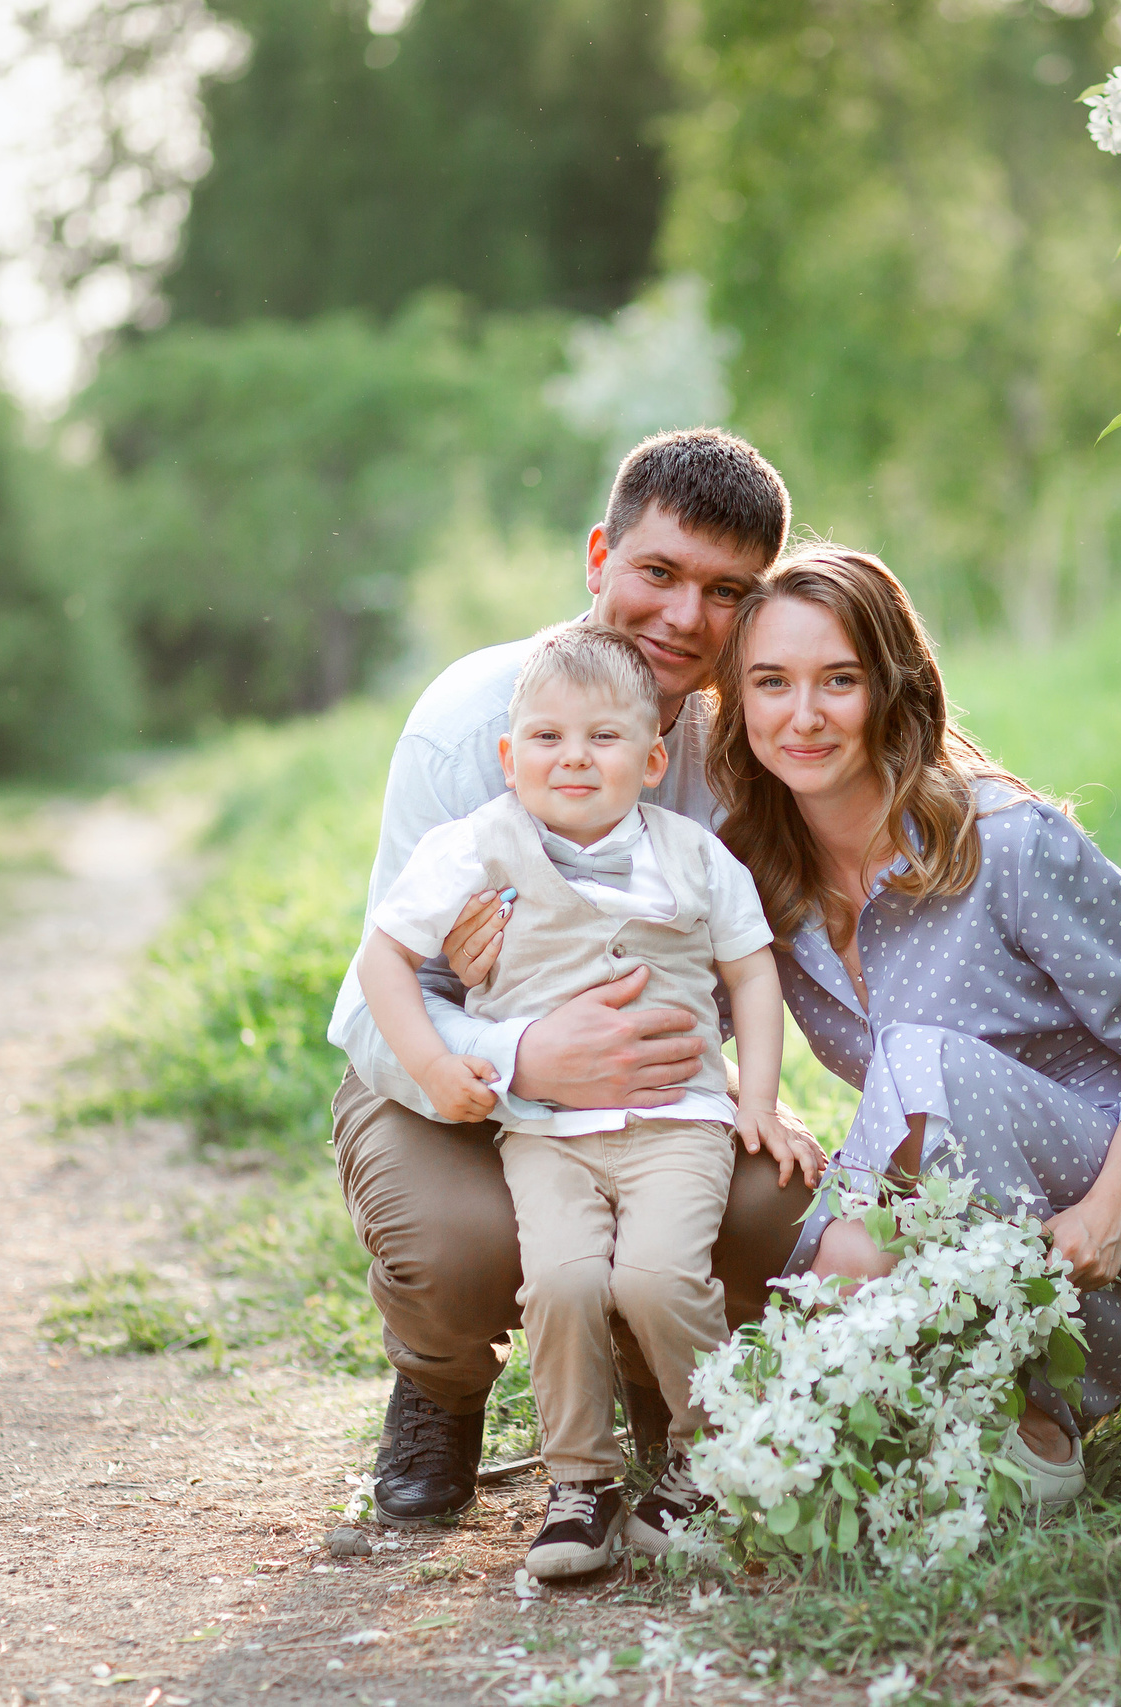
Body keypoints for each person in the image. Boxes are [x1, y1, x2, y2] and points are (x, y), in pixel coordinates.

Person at [328, 426, 1121, 1529]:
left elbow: (1009, 900)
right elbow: (372, 1001)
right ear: (599, 558)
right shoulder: (482, 727)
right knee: (465, 1246)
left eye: (725, 592)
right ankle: (440, 1388)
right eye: (659, 572)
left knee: (781, 1206)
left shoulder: (748, 758)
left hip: (680, 1103)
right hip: (449, 1081)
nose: (685, 617)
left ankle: (690, 1393)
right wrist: (523, 1049)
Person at [707, 548, 1121, 1504]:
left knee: (911, 1080)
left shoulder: (1007, 840)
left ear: (894, 687)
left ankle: (1015, 1416)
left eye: (840, 680)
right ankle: (895, 1422)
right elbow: (674, 1022)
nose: (804, 714)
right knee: (769, 1180)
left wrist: (1110, 1210)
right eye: (772, 682)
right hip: (963, 1191)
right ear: (739, 702)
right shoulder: (755, 873)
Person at [353, 622, 820, 1575]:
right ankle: (581, 1482)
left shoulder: (694, 855)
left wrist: (760, 1099)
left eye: (603, 738)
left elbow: (752, 971)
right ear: (508, 756)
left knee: (658, 1278)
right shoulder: (476, 847)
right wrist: (440, 1064)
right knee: (561, 1281)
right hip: (545, 1133)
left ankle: (706, 1455)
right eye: (547, 738)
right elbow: (381, 960)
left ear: (651, 761)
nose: (573, 757)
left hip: (677, 1123)